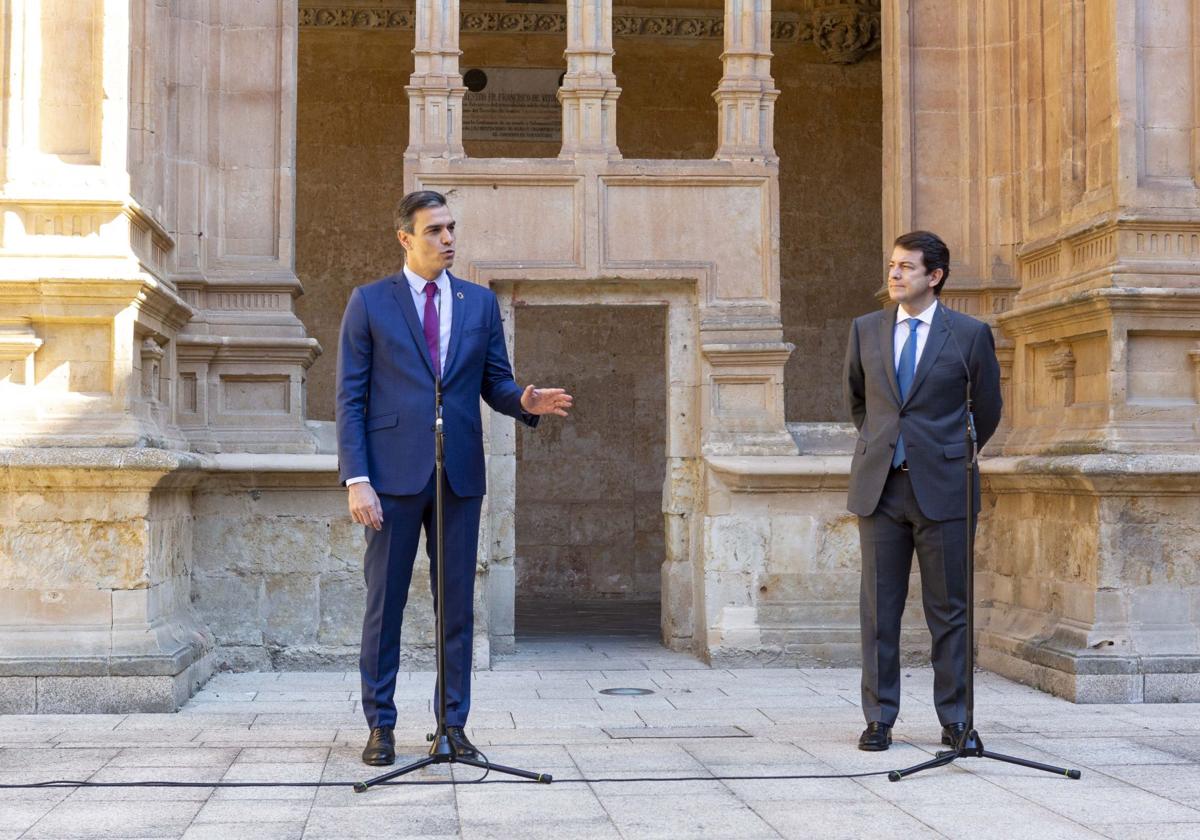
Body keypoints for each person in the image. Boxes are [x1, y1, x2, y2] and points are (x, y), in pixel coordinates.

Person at [336, 190, 573, 766]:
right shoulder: (369, 303)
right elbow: (351, 397)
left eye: (451, 229)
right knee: (384, 605)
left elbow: (495, 381)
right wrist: (356, 478)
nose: (448, 239)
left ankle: (452, 727)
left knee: (457, 609)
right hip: (389, 478)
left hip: (458, 474)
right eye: (436, 230)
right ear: (405, 238)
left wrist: (524, 400)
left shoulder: (478, 304)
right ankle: (381, 726)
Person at [843, 230, 1002, 751]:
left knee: (950, 610)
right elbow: (860, 404)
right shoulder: (865, 329)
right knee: (879, 609)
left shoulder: (969, 334)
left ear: (934, 276)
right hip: (881, 489)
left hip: (946, 489)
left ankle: (956, 719)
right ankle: (879, 718)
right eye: (892, 265)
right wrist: (886, 447)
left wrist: (947, 452)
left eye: (906, 267)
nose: (894, 274)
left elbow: (988, 408)